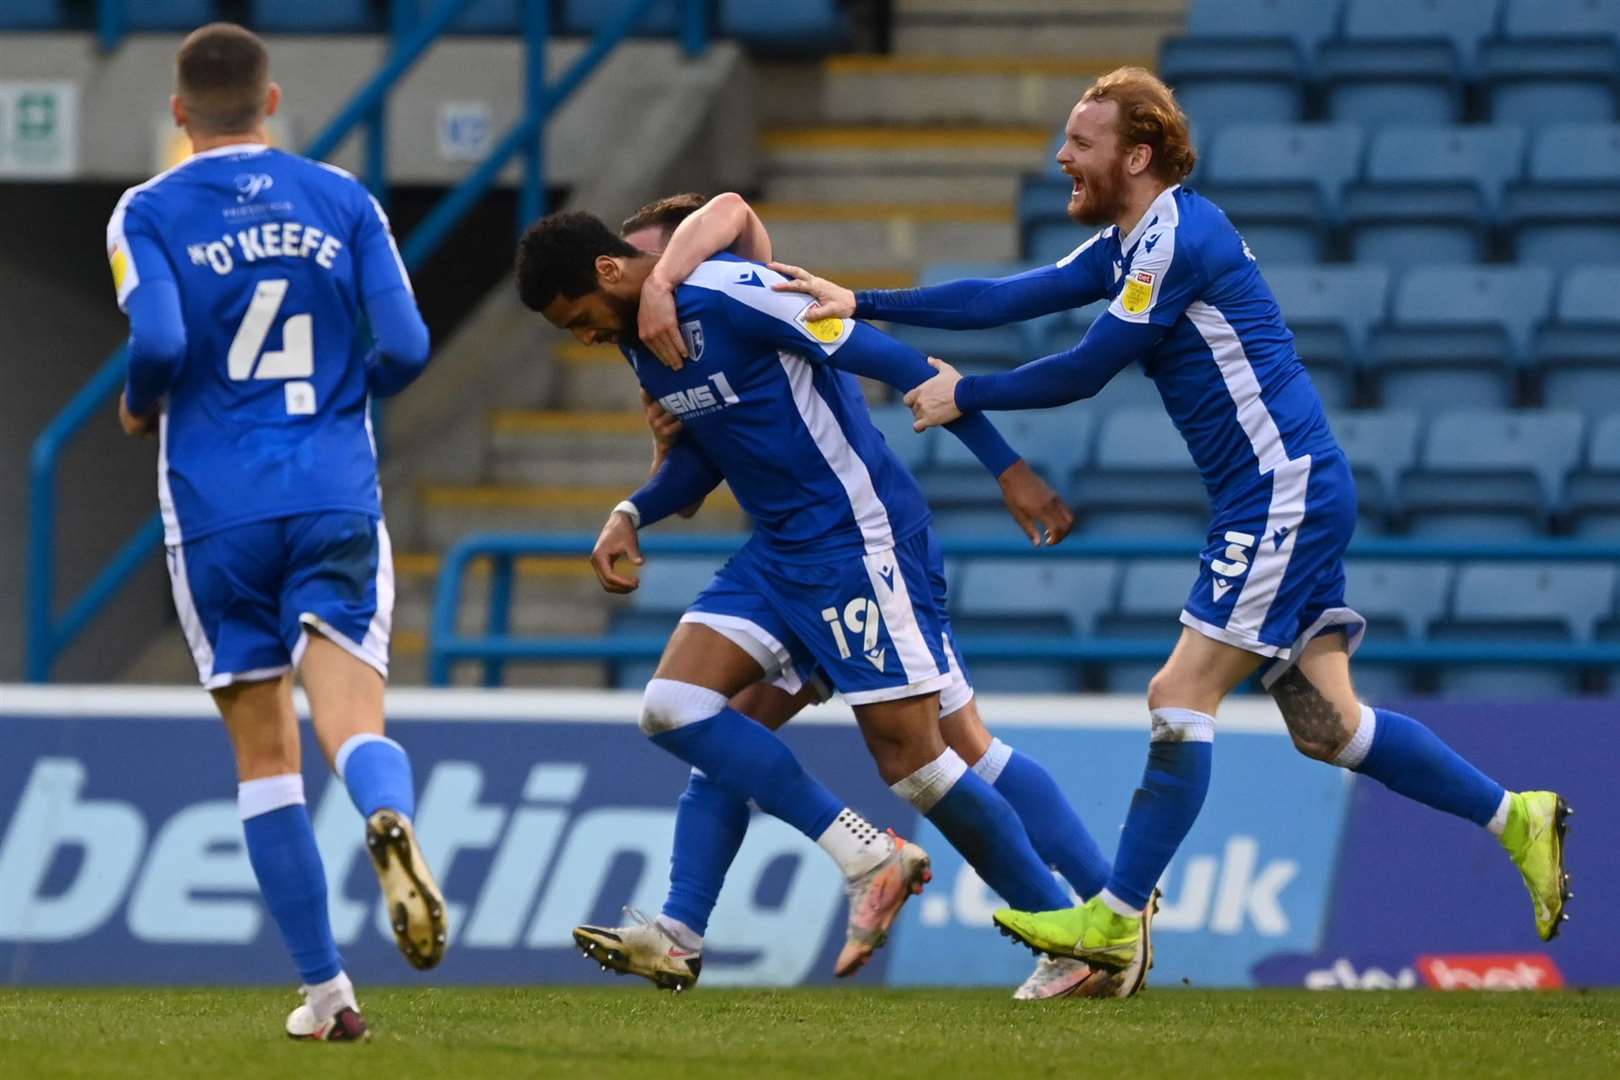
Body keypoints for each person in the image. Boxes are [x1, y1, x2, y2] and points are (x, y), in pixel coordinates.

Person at [744, 66, 1569, 980]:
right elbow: (1010, 297)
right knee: (1331, 728)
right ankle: (1516, 816)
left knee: (1178, 696)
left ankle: (1114, 919)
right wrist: (865, 301)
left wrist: (962, 392)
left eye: (1081, 143)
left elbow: (1086, 366)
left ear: (1136, 155)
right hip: (1282, 490)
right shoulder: (1133, 240)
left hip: (1278, 490)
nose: (1062, 156)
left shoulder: (1177, 238)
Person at [516, 209, 1098, 987]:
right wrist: (632, 510)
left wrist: (1006, 466)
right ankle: (831, 868)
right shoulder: (641, 344)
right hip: (779, 556)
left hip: (858, 542)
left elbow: (891, 359)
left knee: (927, 759)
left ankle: (1077, 936)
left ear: (611, 272)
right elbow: (709, 458)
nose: (583, 337)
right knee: (675, 707)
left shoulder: (729, 295)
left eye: (579, 319)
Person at [107, 23, 446, 1041]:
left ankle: (328, 994)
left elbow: (161, 337)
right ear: (272, 100)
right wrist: (348, 396)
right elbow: (411, 344)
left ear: (179, 113)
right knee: (354, 719)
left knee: (264, 757)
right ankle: (386, 817)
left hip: (217, 510)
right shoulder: (345, 200)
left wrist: (138, 401)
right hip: (334, 489)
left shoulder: (148, 209)